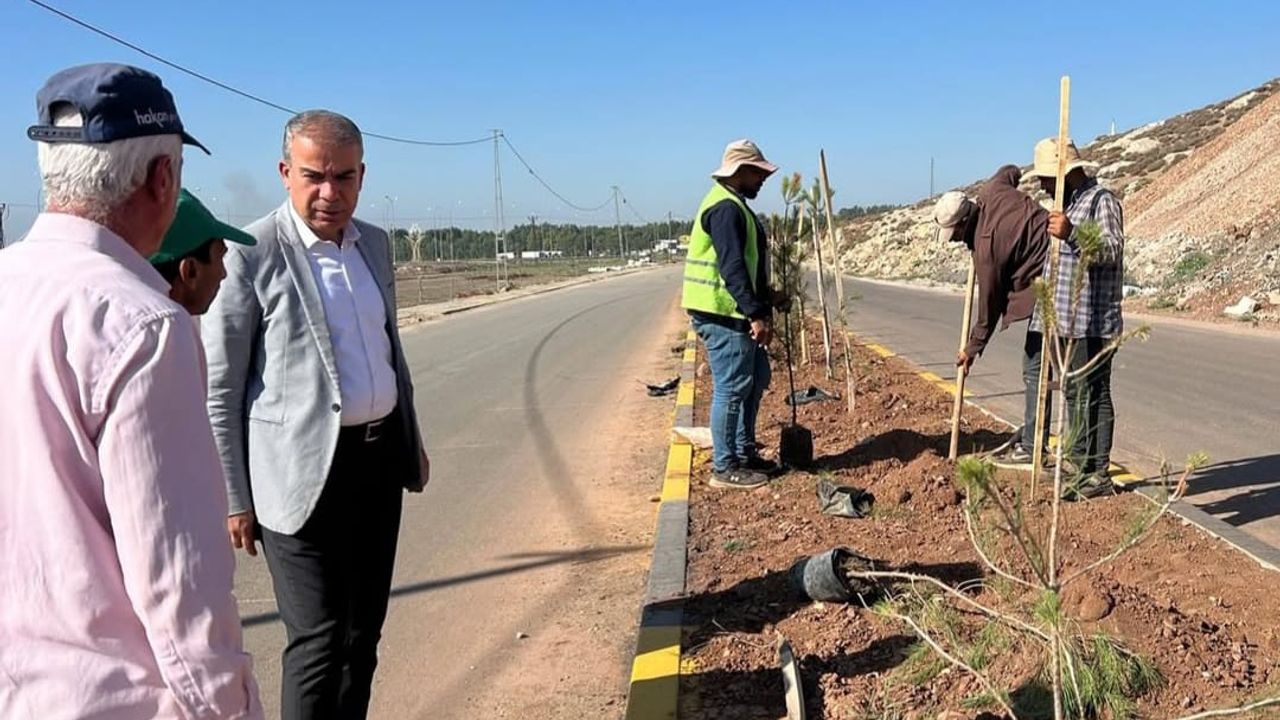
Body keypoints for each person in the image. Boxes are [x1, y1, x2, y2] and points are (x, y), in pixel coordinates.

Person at [0, 63, 261, 719]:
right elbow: (179, 583)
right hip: (112, 697)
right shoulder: (142, 325)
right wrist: (229, 709)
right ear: (162, 179)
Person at [202, 109, 429, 719]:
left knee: (362, 635)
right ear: (286, 173)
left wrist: (410, 439)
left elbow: (386, 350)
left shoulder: (374, 244)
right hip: (297, 476)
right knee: (318, 641)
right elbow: (221, 388)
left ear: (362, 176)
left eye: (344, 177)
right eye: (314, 176)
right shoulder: (251, 254)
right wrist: (234, 497)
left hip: (376, 465)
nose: (330, 192)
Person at [1024, 138, 1125, 499]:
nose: (1042, 186)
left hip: (1093, 322)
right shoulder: (1065, 206)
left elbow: (1112, 250)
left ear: (1066, 174)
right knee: (1074, 393)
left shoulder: (1101, 201)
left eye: (1046, 179)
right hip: (1066, 323)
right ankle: (1080, 464)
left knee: (1092, 395)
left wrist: (1072, 234)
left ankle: (1095, 474)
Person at [682, 139, 784, 490]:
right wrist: (755, 313)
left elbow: (746, 265)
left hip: (733, 309)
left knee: (755, 379)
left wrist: (767, 297)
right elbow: (732, 267)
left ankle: (743, 451)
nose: (763, 179)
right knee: (732, 387)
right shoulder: (725, 208)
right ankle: (724, 468)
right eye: (758, 173)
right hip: (721, 311)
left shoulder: (734, 204)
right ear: (740, 171)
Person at [933, 165, 1050, 462]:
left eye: (955, 235)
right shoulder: (991, 190)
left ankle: (1033, 446)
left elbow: (990, 307)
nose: (955, 241)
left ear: (963, 224)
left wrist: (971, 349)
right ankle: (1036, 436)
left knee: (1036, 368)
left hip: (1050, 278)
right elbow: (1011, 171)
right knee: (1043, 367)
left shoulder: (986, 251)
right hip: (1055, 259)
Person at [150, 188, 258, 316]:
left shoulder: (134, 315)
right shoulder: (170, 325)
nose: (223, 274)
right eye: (220, 258)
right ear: (191, 271)